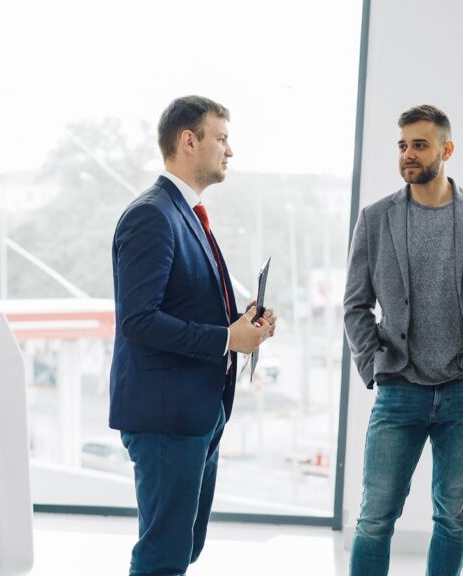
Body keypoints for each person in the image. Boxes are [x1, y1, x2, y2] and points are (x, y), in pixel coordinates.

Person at [343, 104, 463, 576]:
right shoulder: (376, 218)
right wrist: (373, 364)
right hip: (400, 388)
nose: (408, 155)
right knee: (375, 517)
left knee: (453, 517)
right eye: (402, 145)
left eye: (419, 145)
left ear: (447, 149)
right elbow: (355, 304)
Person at [109, 95, 276, 576]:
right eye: (221, 138)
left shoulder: (187, 213)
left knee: (183, 549)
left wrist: (245, 323)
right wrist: (227, 341)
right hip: (167, 416)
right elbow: (139, 320)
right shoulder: (152, 216)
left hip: (197, 410)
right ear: (189, 140)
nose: (230, 151)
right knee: (163, 556)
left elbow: (187, 303)